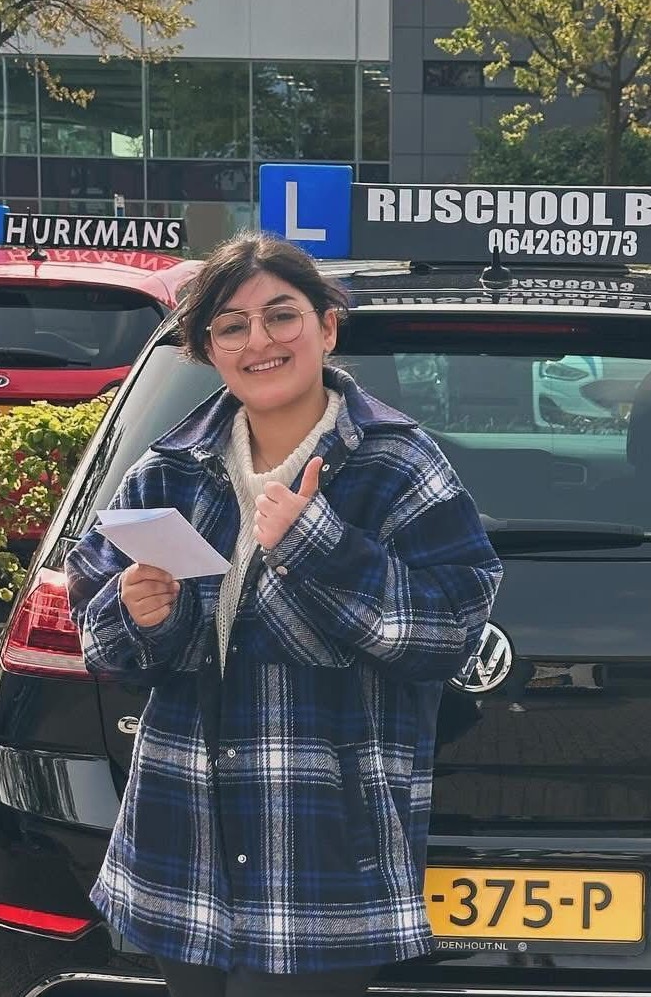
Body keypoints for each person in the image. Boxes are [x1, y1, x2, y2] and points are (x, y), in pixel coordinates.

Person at [65, 231, 503, 997]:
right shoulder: (167, 468)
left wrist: (318, 545)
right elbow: (102, 640)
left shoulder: (396, 463)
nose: (259, 340)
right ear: (207, 348)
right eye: (231, 325)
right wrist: (141, 612)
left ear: (326, 325)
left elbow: (448, 633)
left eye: (281, 315)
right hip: (183, 843)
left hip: (322, 851)